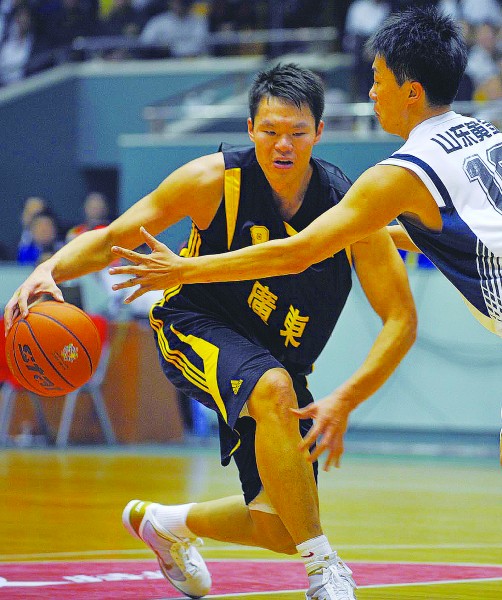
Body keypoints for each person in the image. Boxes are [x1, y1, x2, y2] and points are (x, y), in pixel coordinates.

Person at [5, 63, 417, 600]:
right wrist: (50, 269)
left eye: (297, 132)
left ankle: (165, 524)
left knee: (281, 526)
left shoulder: (348, 206)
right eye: (270, 131)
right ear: (249, 129)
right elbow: (115, 237)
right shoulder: (213, 182)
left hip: (279, 360)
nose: (283, 145)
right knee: (272, 389)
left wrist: (348, 397)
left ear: (319, 132)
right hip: (195, 325)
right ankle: (325, 570)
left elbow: (400, 318)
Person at [104, 6, 502, 462]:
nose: (371, 91)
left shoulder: (401, 173)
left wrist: (184, 270)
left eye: (378, 79)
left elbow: (298, 253)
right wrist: (369, 235)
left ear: (411, 91)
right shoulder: (483, 134)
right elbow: (466, 236)